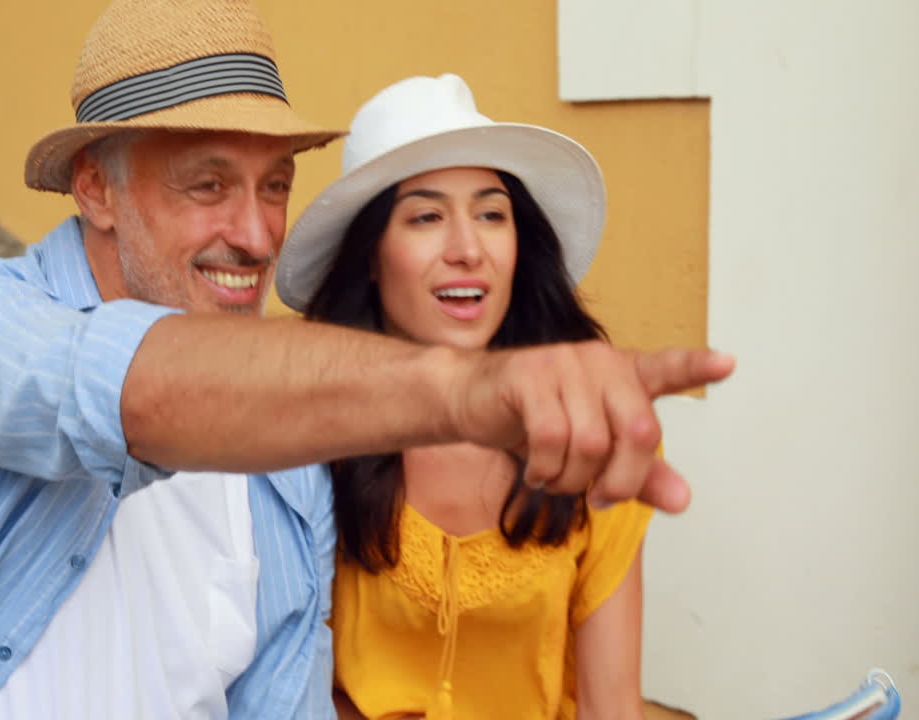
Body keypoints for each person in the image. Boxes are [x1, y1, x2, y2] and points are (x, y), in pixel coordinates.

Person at [0, 0, 734, 717]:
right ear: (93, 186)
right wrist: (470, 389)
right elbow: (131, 390)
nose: (256, 232)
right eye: (208, 183)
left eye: (274, 186)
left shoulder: (290, 468)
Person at [275, 74, 658, 719]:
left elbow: (611, 705)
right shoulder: (307, 435)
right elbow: (282, 688)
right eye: (426, 216)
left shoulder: (594, 432)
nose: (468, 250)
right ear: (371, 256)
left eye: (491, 214)